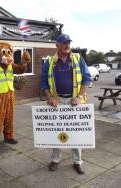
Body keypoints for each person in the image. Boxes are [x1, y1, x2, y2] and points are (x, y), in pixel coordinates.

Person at [40, 34, 91, 174]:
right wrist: (50, 97)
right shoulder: (49, 62)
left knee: (75, 133)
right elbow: (43, 82)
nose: (67, 45)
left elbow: (87, 78)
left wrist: (80, 97)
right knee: (57, 132)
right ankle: (55, 159)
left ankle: (77, 161)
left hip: (74, 101)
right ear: (57, 45)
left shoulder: (78, 59)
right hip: (56, 101)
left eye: (68, 42)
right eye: (64, 42)